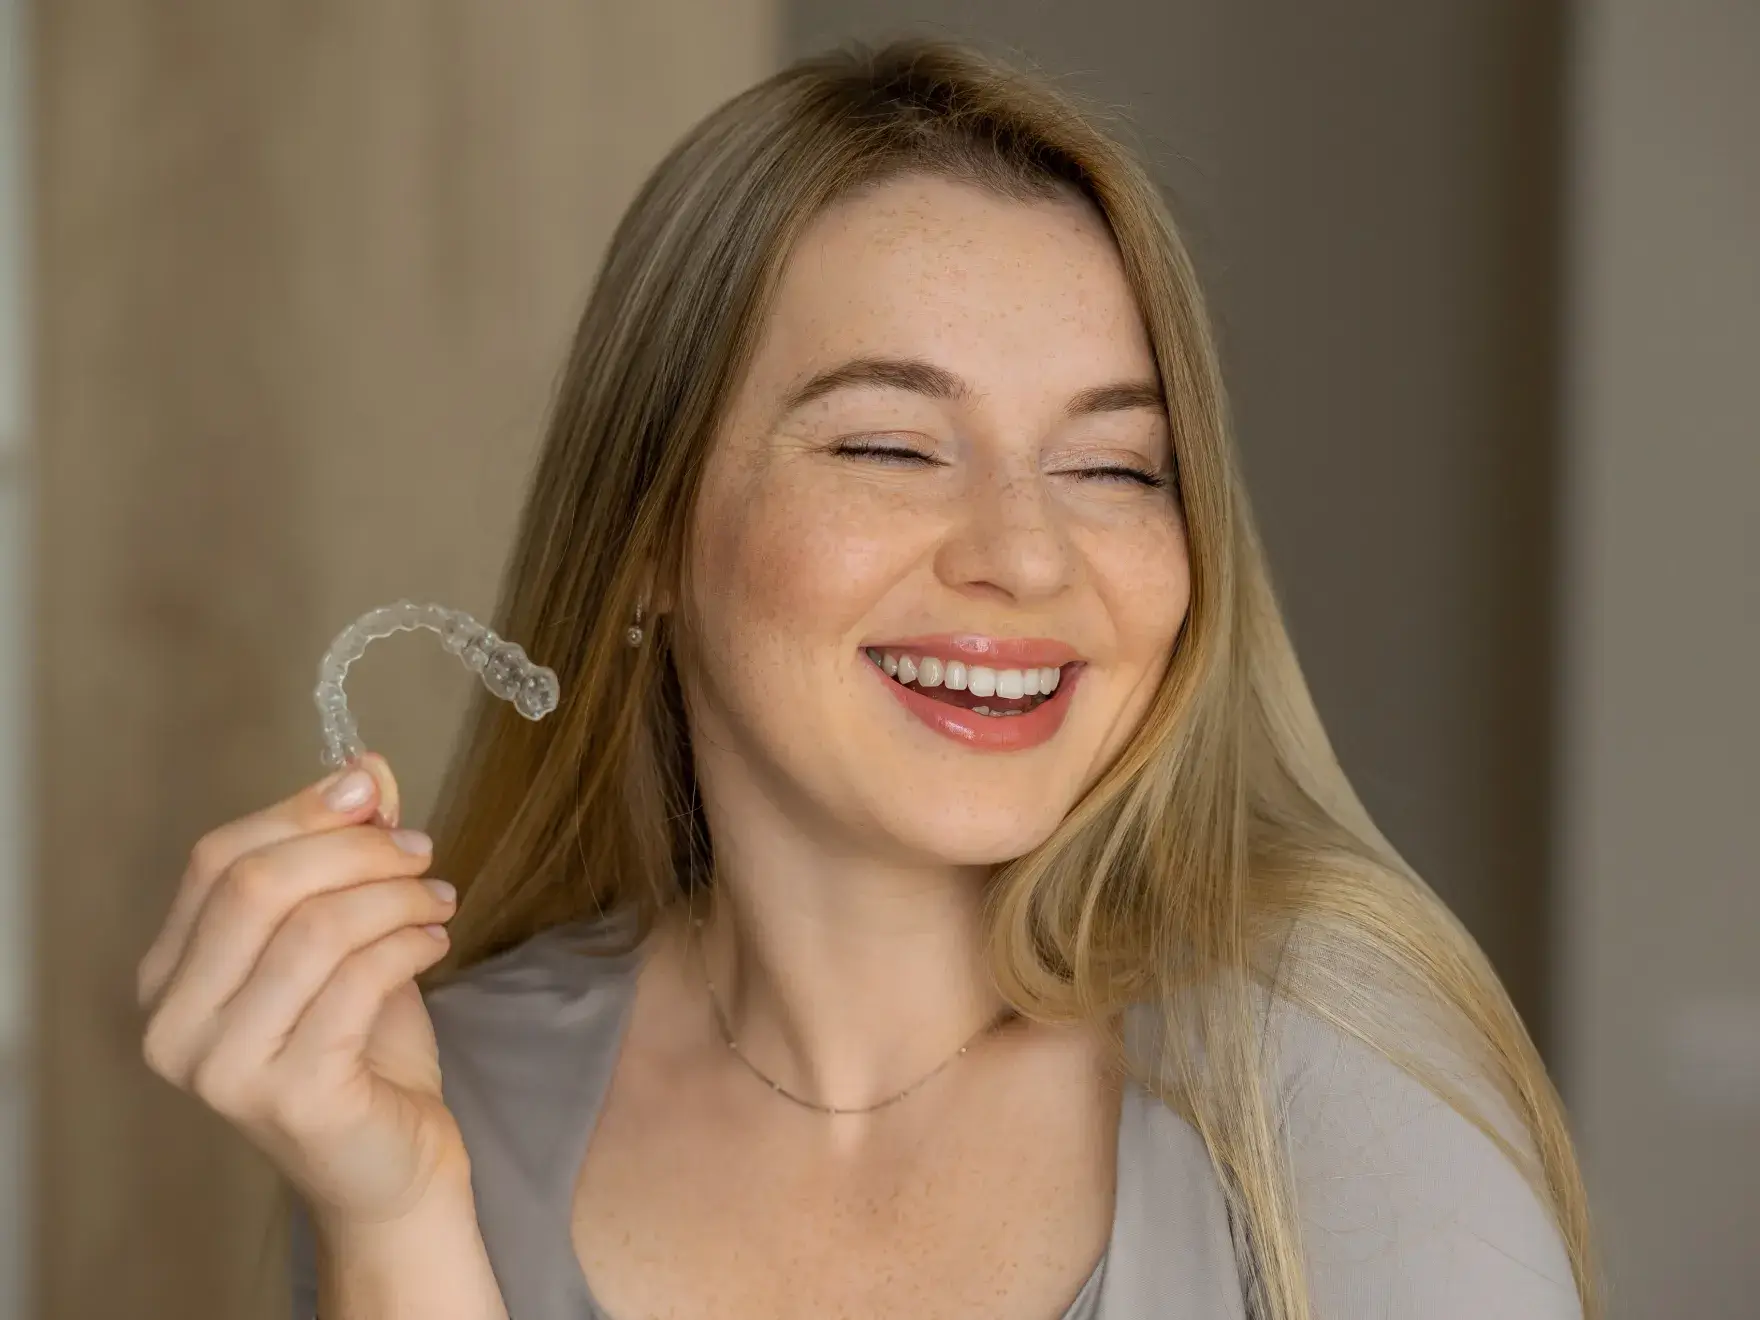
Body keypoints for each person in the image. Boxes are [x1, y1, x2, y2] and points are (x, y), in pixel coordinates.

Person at [136, 37, 1595, 1320]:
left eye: (1114, 467)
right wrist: (394, 1221)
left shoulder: (1331, 1064)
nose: (1027, 558)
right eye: (888, 446)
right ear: (645, 532)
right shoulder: (442, 1084)